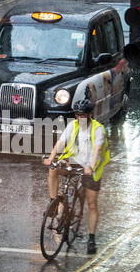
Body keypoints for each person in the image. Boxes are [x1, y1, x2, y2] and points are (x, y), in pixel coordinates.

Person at [43, 99, 110, 254]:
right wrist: (51, 159)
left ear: (90, 115)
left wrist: (91, 167)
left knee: (92, 204)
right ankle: (53, 203)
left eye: (83, 115)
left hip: (91, 168)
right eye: (78, 115)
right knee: (53, 170)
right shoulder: (72, 126)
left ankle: (91, 238)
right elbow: (60, 143)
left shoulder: (98, 129)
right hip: (73, 162)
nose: (80, 118)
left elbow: (98, 150)